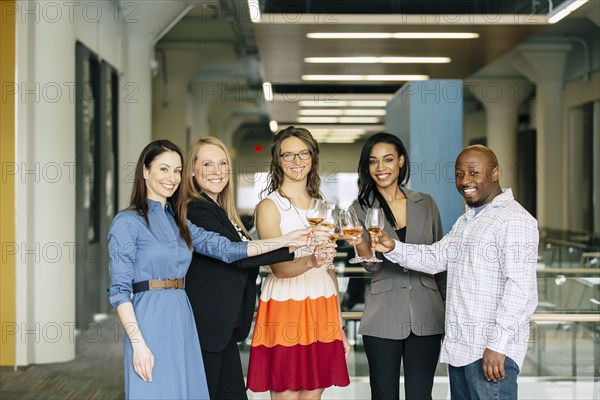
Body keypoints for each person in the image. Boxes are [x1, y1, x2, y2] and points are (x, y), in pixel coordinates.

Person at [107, 140, 311, 399]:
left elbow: (228, 249)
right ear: (145, 172)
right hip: (151, 316)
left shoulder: (179, 221)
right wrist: (137, 344)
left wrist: (290, 239)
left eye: (177, 170)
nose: (172, 178)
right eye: (164, 169)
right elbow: (119, 291)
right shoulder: (127, 221)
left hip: (183, 314)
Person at [371, 145, 538, 399]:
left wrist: (498, 345)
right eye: (459, 174)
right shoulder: (467, 221)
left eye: (473, 172)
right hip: (462, 352)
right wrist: (393, 246)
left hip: (490, 354)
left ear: (495, 173)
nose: (465, 181)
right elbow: (436, 257)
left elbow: (520, 289)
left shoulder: (514, 219)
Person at [182, 137, 333, 400]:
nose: (217, 171)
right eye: (207, 164)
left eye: (222, 164)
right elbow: (238, 256)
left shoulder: (221, 211)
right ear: (193, 170)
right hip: (208, 324)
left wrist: (299, 248)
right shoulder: (197, 209)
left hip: (223, 327)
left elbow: (246, 254)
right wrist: (293, 242)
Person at [247, 126, 351, 399]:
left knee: (313, 394)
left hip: (322, 301)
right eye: (288, 155)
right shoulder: (269, 206)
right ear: (278, 160)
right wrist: (313, 259)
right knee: (286, 393)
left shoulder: (321, 205)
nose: (297, 161)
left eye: (303, 153)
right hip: (286, 302)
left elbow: (327, 267)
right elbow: (279, 268)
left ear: (313, 158)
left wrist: (338, 322)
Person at [349, 132, 446, 400]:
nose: (381, 168)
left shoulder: (425, 204)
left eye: (388, 159)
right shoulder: (359, 208)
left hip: (428, 313)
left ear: (401, 161)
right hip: (383, 314)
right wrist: (360, 243)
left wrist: (449, 314)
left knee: (420, 395)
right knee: (383, 394)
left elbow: (440, 260)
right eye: (373, 161)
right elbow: (371, 266)